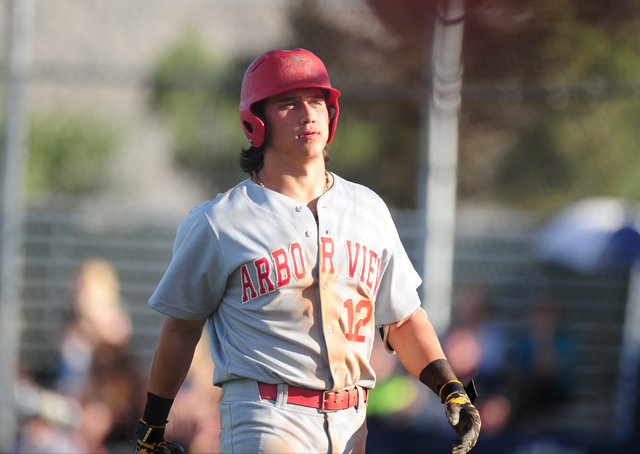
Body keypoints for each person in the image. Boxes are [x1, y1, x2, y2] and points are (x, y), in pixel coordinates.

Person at [135, 48, 480, 454]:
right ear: (255, 121)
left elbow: (402, 320)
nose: (308, 113)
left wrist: (450, 387)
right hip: (266, 415)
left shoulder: (367, 208)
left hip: (353, 423)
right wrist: (152, 426)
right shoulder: (221, 221)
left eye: (317, 100)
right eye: (288, 103)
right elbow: (181, 328)